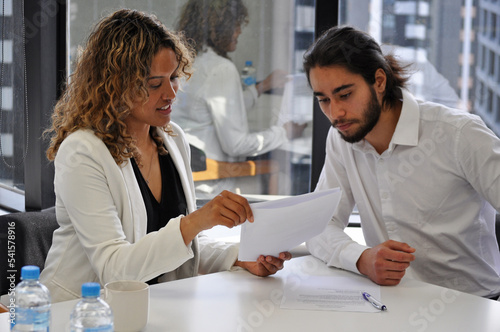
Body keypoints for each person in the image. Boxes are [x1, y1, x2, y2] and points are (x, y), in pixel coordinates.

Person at [40, 9, 291, 303]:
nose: (171, 93)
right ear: (116, 85)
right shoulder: (83, 152)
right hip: (77, 313)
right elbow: (114, 269)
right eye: (154, 83)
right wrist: (196, 221)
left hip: (154, 309)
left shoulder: (172, 138)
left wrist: (238, 257)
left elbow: (184, 249)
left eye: (173, 77)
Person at [304, 25, 500, 299]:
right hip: (391, 303)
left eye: (345, 94)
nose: (335, 113)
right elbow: (319, 225)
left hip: (473, 305)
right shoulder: (341, 138)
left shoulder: (458, 134)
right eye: (324, 100)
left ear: (380, 81)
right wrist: (361, 258)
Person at [173, 0, 304, 199]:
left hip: (184, 177)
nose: (239, 32)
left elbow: (215, 106)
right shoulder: (221, 68)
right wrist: (283, 133)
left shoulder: (188, 60)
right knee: (285, 180)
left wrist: (261, 88)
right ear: (219, 27)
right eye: (236, 25)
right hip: (211, 186)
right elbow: (237, 145)